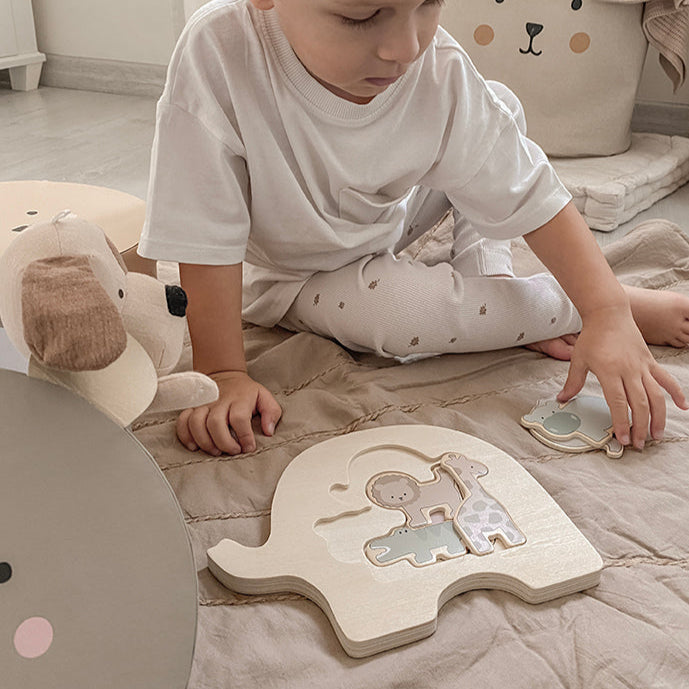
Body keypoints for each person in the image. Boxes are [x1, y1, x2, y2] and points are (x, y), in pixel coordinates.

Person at [138, 0, 689, 458]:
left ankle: (498, 285)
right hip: (294, 275)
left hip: (387, 216)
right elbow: (202, 228)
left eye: (429, 3)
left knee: (496, 108)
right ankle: (553, 308)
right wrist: (223, 372)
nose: (405, 48)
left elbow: (529, 192)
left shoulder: (434, 64)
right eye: (360, 16)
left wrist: (605, 311)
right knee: (397, 314)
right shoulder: (219, 50)